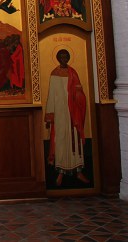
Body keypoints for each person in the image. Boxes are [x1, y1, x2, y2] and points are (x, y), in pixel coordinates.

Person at [45, 49, 89, 186]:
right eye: (61, 57)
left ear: (69, 58)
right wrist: (50, 115)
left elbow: (80, 93)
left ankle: (79, 172)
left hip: (73, 113)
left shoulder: (73, 73)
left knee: (74, 140)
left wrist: (77, 97)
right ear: (58, 58)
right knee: (61, 140)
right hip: (60, 113)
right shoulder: (54, 73)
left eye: (66, 57)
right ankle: (60, 173)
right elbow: (51, 95)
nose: (64, 59)